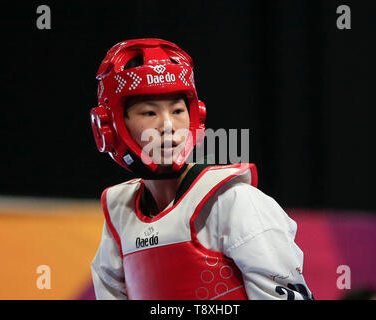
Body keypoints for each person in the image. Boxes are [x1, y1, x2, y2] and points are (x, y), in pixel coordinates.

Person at [89, 38, 313, 300]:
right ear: (110, 126)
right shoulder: (120, 214)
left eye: (177, 110)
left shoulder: (234, 202)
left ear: (196, 116)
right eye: (149, 113)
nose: (168, 125)